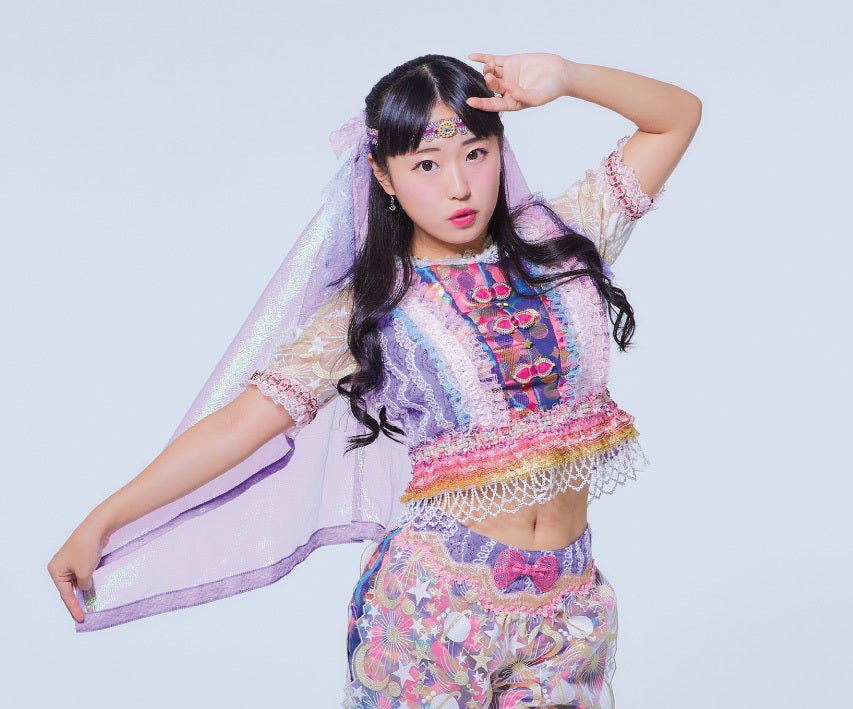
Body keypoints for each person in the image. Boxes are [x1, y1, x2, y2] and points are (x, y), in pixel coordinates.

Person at [49, 52, 700, 707]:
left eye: (475, 153)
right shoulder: (374, 306)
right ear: (384, 175)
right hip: (433, 609)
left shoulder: (561, 239)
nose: (458, 186)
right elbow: (239, 426)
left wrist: (566, 77)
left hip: (568, 613)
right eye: (425, 165)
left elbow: (676, 118)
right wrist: (102, 521)